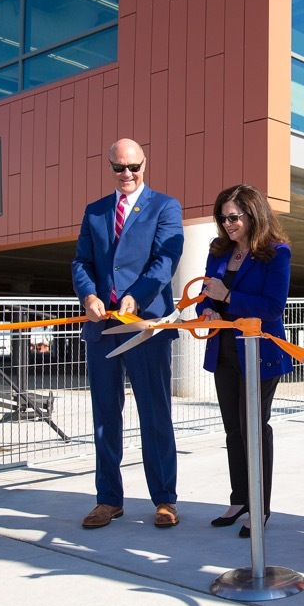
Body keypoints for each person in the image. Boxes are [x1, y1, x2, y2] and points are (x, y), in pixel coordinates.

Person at [71, 138, 183, 529]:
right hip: (102, 329)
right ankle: (108, 500)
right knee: (105, 416)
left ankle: (165, 499)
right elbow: (81, 261)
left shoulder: (165, 207)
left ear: (145, 164)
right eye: (119, 168)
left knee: (155, 414)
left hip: (144, 327)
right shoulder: (95, 211)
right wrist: (87, 295)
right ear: (110, 167)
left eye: (133, 167)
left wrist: (138, 296)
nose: (127, 174)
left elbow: (166, 259)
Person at [195, 184, 292, 539]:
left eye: (233, 217)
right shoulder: (218, 251)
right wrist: (206, 307)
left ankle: (260, 506)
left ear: (253, 214)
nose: (227, 224)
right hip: (224, 351)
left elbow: (272, 307)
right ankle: (240, 499)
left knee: (254, 428)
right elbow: (205, 295)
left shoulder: (275, 253)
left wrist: (229, 295)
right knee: (233, 430)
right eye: (223, 218)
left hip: (260, 353)